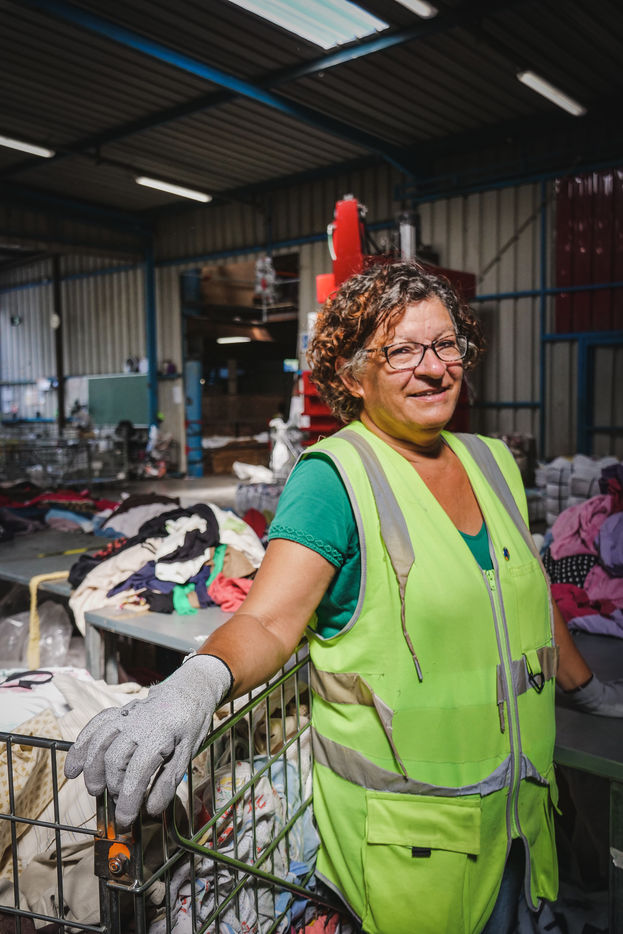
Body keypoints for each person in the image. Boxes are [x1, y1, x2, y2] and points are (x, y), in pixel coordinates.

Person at [65, 263, 623, 934]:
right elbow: (269, 621)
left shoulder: (492, 462)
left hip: (521, 831)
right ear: (353, 376)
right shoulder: (335, 479)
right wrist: (197, 683)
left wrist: (585, 689)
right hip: (411, 856)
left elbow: (523, 593)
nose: (433, 368)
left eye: (446, 344)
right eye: (402, 351)